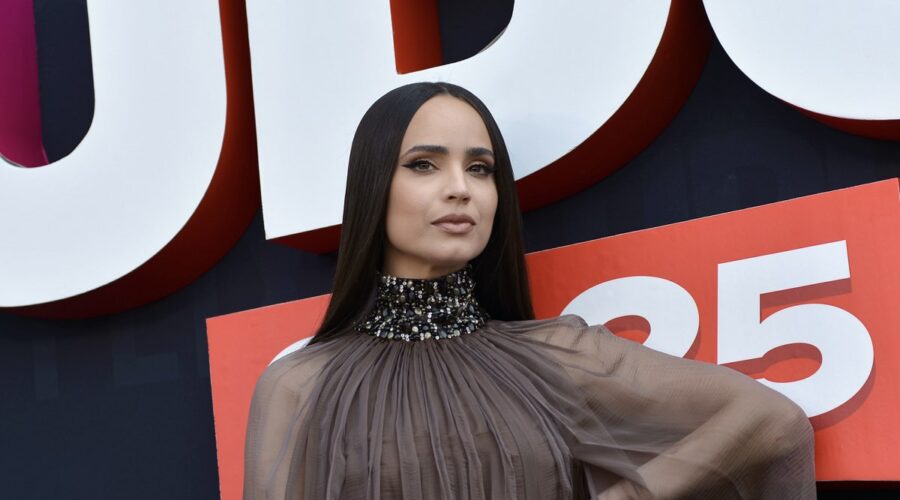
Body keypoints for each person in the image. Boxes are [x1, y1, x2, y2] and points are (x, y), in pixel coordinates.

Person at [242, 82, 816, 499]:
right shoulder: (301, 386)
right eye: (423, 165)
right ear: (372, 186)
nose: (460, 189)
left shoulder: (554, 357)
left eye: (481, 168)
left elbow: (770, 422)